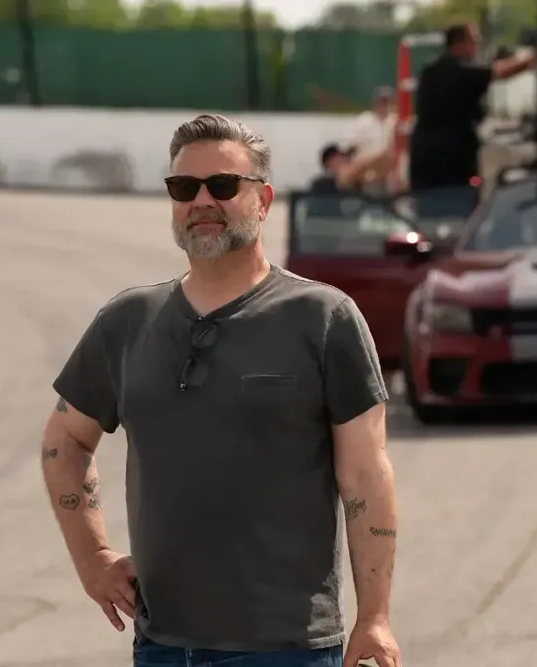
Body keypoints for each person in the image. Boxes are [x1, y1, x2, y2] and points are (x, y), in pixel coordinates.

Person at [40, 113, 401, 667]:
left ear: (264, 199)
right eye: (184, 187)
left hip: (287, 651)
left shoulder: (323, 318)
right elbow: (64, 439)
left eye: (223, 185)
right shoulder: (128, 321)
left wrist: (374, 615)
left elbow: (366, 477)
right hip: (163, 647)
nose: (202, 201)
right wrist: (93, 560)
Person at [409, 23, 535, 190]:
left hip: (423, 157)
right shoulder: (461, 70)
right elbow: (500, 71)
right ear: (459, 44)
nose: (477, 47)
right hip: (452, 158)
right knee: (459, 201)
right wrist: (532, 58)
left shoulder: (430, 71)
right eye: (474, 41)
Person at [350, 87, 397, 193]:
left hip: (391, 176)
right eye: (381, 101)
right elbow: (353, 148)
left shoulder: (395, 121)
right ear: (375, 102)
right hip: (369, 175)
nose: (384, 105)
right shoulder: (363, 121)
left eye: (387, 101)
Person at [311, 141, 395, 194]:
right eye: (343, 156)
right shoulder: (325, 180)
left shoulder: (356, 180)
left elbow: (376, 176)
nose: (349, 160)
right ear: (331, 162)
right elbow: (355, 170)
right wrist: (385, 153)